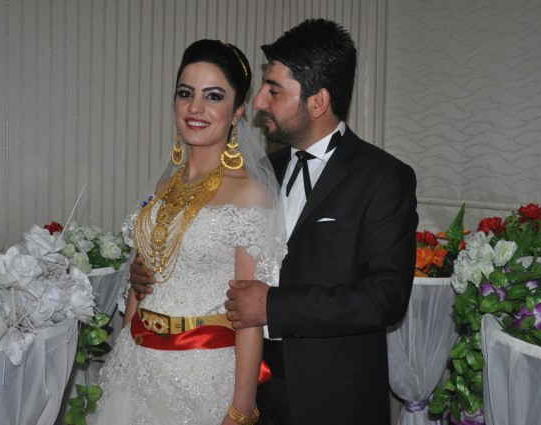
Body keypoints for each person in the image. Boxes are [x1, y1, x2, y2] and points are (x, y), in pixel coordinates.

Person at [132, 20, 418, 424]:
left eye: (274, 90)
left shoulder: (382, 177)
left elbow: (385, 297)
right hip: (248, 381)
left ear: (317, 102)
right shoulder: (264, 171)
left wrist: (274, 306)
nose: (259, 101)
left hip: (331, 394)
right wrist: (153, 271)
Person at [91, 39, 286, 425]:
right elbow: (143, 281)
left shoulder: (249, 194)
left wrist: (241, 410)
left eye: (213, 96)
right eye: (185, 93)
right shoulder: (162, 189)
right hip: (135, 367)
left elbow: (250, 316)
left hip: (202, 376)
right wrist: (120, 359)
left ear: (237, 112)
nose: (195, 107)